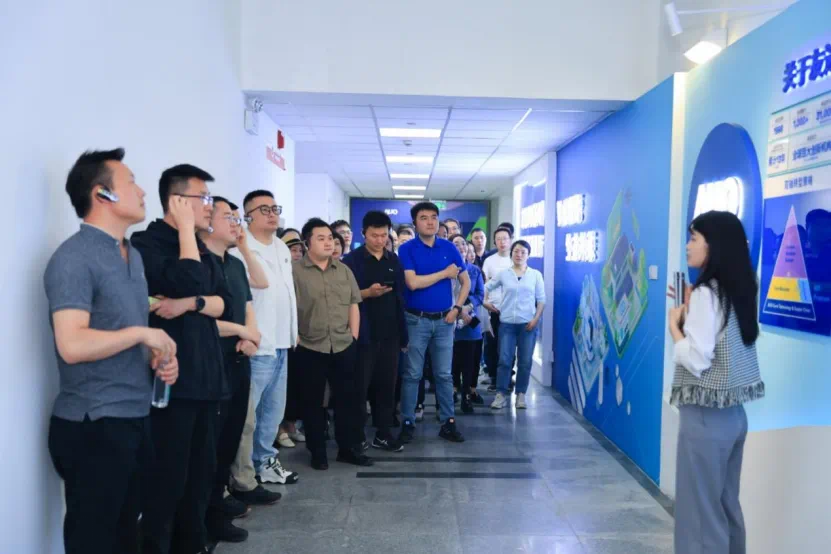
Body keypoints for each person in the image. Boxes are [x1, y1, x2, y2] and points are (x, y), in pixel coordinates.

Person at [45, 149, 179, 554]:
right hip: (94, 424)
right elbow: (72, 345)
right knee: (94, 541)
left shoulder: (131, 254)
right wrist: (142, 334)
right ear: (102, 194)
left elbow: (120, 332)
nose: (142, 191)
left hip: (135, 417)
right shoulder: (73, 258)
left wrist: (156, 359)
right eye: (131, 182)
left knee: (126, 536)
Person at [132, 164, 234, 554]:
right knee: (167, 481)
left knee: (200, 479)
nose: (209, 205)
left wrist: (190, 303)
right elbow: (191, 278)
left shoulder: (202, 249)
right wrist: (188, 235)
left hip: (207, 379)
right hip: (171, 382)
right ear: (176, 201)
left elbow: (223, 304)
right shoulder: (146, 244)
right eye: (202, 198)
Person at [668, 211, 765, 554]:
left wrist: (675, 326)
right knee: (726, 507)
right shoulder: (742, 286)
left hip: (705, 417)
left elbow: (697, 359)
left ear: (714, 245)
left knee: (699, 516)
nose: (688, 245)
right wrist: (690, 312)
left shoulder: (708, 294)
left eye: (694, 238)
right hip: (734, 415)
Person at [199, 197, 261, 544]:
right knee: (209, 444)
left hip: (240, 359)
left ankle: (218, 506)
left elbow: (248, 306)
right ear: (208, 221)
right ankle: (205, 517)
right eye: (230, 217)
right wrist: (241, 332)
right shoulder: (197, 264)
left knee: (229, 440)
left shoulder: (235, 264)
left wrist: (251, 336)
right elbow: (200, 320)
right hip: (212, 361)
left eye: (239, 219)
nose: (238, 224)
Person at [293, 218, 373, 469]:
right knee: (313, 403)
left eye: (330, 238)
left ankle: (347, 449)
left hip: (342, 344)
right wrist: (296, 338)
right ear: (307, 242)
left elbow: (353, 304)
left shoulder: (344, 270)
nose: (329, 243)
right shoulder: (295, 272)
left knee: (348, 401)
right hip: (309, 346)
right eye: (321, 238)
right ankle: (317, 451)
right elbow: (289, 308)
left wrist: (354, 337)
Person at [233, 190, 299, 486]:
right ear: (247, 216)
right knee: (249, 416)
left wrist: (293, 330)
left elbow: (287, 292)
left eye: (275, 209)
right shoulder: (239, 249)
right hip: (257, 344)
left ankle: (265, 462)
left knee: (273, 412)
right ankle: (242, 472)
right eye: (264, 209)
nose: (273, 214)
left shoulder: (281, 247)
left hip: (282, 342)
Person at [397, 202, 470, 444]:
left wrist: (457, 308)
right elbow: (412, 283)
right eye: (424, 217)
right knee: (412, 374)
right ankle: (408, 422)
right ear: (415, 222)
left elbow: (466, 282)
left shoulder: (449, 247)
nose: (430, 222)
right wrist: (444, 274)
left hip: (444, 321)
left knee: (444, 375)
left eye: (434, 217)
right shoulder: (407, 249)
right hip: (415, 320)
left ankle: (448, 422)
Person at [343, 211, 409, 452]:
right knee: (359, 388)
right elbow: (343, 297)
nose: (380, 240)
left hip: (390, 334)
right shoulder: (352, 261)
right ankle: (356, 436)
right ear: (363, 234)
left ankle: (383, 434)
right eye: (374, 235)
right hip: (363, 334)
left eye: (383, 235)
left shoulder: (394, 260)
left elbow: (400, 298)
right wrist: (367, 293)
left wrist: (403, 335)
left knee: (386, 387)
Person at [486, 240, 545, 410]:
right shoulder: (504, 274)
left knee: (525, 362)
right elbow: (485, 287)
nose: (519, 255)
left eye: (523, 252)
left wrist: (535, 319)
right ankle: (501, 394)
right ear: (511, 254)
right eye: (516, 251)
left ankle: (521, 395)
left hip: (528, 325)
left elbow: (541, 300)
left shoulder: (535, 275)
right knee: (504, 360)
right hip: (507, 325)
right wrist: (485, 302)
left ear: (528, 255)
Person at [449, 235, 485, 414]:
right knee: (453, 361)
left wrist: (467, 307)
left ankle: (467, 396)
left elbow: (480, 295)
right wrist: (457, 309)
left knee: (470, 361)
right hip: (449, 318)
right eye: (456, 244)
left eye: (463, 243)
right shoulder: (445, 269)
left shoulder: (475, 270)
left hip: (470, 320)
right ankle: (452, 392)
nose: (461, 246)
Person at [482, 226, 515, 391]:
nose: (502, 242)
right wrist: (485, 302)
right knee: (493, 345)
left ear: (511, 240)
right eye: (499, 239)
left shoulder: (515, 259)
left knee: (509, 346)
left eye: (505, 238)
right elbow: (484, 285)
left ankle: (507, 378)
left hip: (512, 310)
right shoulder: (489, 261)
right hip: (494, 309)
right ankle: (495, 378)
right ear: (494, 241)